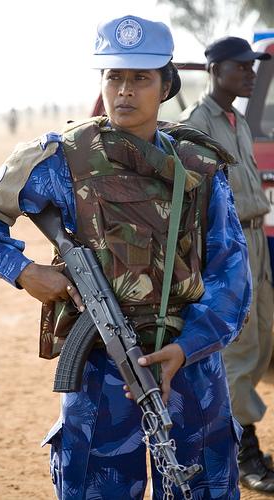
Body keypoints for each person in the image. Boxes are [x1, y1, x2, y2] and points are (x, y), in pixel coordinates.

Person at [0, 16, 251, 499]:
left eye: (141, 78)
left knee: (201, 487)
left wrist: (188, 346)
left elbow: (229, 272)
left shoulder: (198, 165)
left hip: (189, 365)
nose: (125, 90)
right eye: (114, 76)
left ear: (166, 86)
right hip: (99, 368)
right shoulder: (61, 159)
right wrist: (25, 272)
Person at [179, 36, 274, 494]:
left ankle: (237, 434)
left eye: (254, 69)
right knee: (237, 349)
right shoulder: (199, 125)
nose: (251, 76)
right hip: (229, 248)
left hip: (257, 243)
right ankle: (242, 449)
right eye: (243, 68)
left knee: (261, 341)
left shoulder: (235, 120)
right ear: (215, 70)